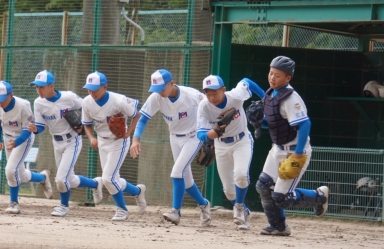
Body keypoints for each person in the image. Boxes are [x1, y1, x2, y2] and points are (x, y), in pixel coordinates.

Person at [255, 56, 329, 236]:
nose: (272, 78)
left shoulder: (291, 98)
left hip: (295, 150)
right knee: (264, 186)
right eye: (271, 73)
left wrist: (298, 153)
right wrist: (258, 121)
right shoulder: (270, 93)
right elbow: (275, 124)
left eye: (277, 75)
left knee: (282, 197)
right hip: (277, 149)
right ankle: (279, 227)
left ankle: (319, 197)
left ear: (288, 78)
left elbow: (305, 124)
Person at [130, 69, 212, 226]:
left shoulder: (191, 95)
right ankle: (204, 204)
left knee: (176, 173)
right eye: (156, 89)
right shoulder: (156, 97)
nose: (159, 92)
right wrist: (136, 139)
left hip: (193, 136)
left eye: (162, 88)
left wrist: (210, 138)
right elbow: (143, 118)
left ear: (172, 83)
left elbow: (210, 109)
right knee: (186, 181)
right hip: (174, 137)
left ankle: (176, 212)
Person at [28, 70, 103, 217]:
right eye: (36, 86)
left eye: (41, 86)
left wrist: (85, 124)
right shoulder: (38, 103)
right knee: (70, 180)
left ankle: (63, 206)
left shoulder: (68, 97)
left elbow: (87, 107)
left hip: (72, 141)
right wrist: (35, 129)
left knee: (61, 179)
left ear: (51, 86)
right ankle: (95, 184)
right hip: (56, 142)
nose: (38, 90)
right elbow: (41, 126)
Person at [197, 74, 264, 230]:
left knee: (241, 175)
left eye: (214, 93)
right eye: (208, 93)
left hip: (241, 141)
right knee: (228, 191)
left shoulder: (235, 96)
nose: (211, 97)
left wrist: (266, 99)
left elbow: (247, 81)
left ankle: (239, 206)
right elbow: (200, 134)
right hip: (221, 145)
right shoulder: (204, 106)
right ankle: (245, 212)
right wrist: (213, 133)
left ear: (223, 90)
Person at [81, 71, 146, 221]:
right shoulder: (86, 102)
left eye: (95, 89)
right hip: (102, 141)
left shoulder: (119, 100)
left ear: (105, 87)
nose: (91, 92)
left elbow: (137, 115)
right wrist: (91, 138)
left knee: (108, 178)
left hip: (118, 142)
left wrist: (128, 133)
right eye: (89, 89)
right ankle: (137, 191)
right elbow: (86, 124)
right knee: (112, 179)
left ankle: (122, 209)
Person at [0, 81, 52, 214]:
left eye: (2, 99)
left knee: (10, 170)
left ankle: (14, 203)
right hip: (8, 138)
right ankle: (43, 178)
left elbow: (28, 129)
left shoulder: (23, 106)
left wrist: (17, 142)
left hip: (23, 137)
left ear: (11, 95)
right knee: (20, 174)